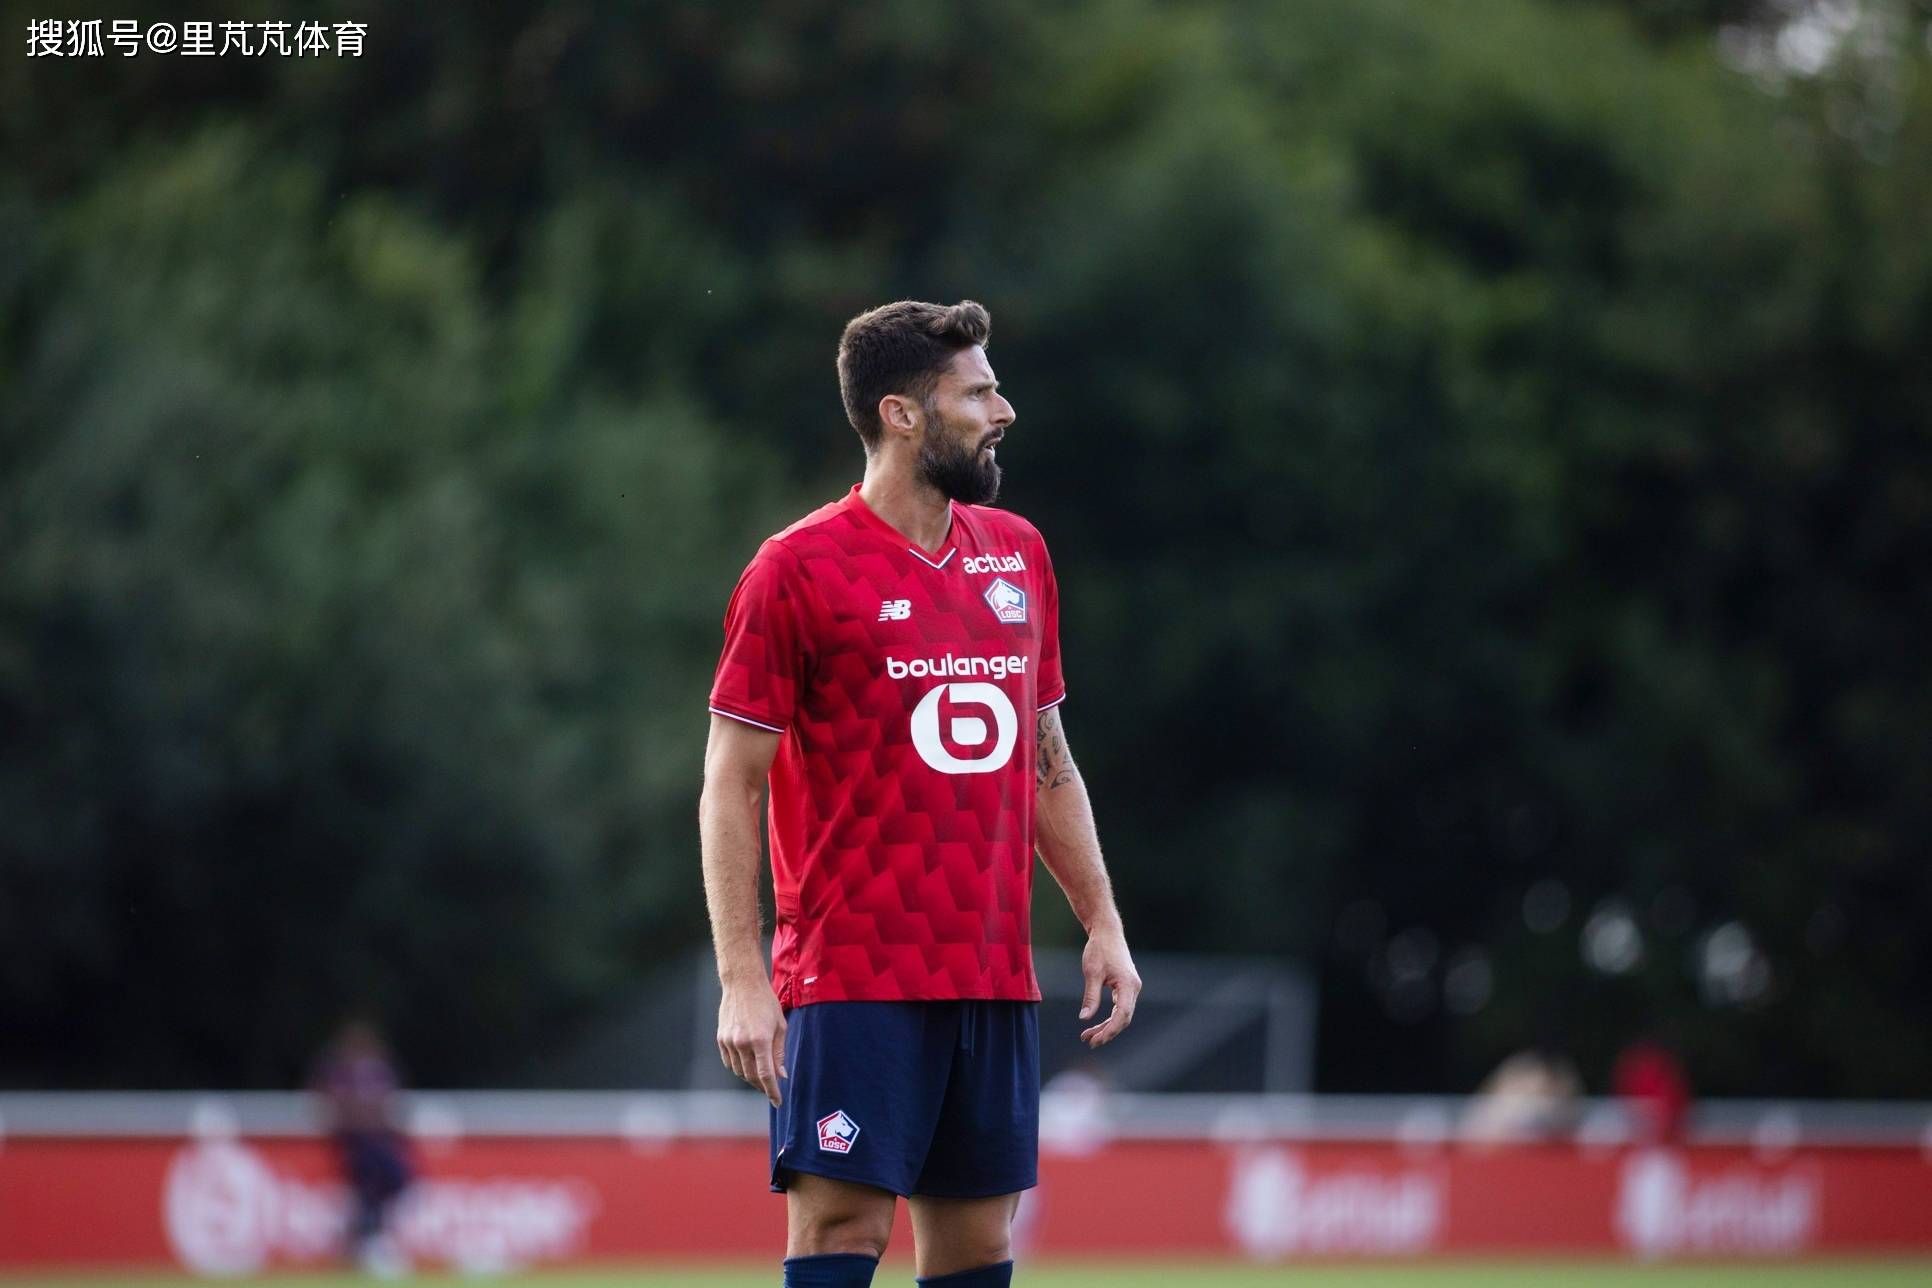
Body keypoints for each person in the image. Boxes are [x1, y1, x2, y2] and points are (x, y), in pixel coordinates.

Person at [700, 299, 1140, 1288]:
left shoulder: (1017, 552)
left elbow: (1045, 758)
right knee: (842, 1229)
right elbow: (731, 783)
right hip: (854, 975)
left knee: (979, 1245)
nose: (1003, 411)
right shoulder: (794, 570)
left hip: (991, 971)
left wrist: (1101, 918)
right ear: (901, 414)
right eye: (977, 393)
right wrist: (742, 976)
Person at [309, 1017, 415, 1277]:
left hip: (380, 1139)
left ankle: (367, 1239)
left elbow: (389, 1102)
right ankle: (364, 1243)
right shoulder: (340, 1071)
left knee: (394, 1181)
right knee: (366, 1188)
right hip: (354, 1140)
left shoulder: (379, 1069)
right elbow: (329, 1101)